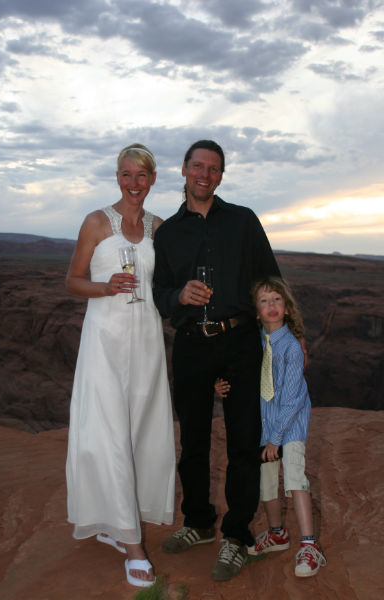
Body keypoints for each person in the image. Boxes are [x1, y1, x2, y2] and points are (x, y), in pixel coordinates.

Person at [152, 140, 281, 582]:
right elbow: (158, 293)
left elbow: (270, 280)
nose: (204, 175)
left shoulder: (243, 221)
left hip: (240, 341)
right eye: (198, 166)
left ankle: (236, 535)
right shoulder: (168, 233)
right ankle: (199, 521)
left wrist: (286, 337)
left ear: (221, 176)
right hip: (192, 344)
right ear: (184, 169)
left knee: (244, 440)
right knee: (193, 440)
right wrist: (178, 295)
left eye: (213, 168)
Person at [65, 143, 176, 588]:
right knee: (110, 434)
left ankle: (115, 521)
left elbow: (167, 286)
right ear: (117, 177)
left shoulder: (160, 228)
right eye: (127, 174)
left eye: (142, 175)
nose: (134, 183)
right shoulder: (96, 222)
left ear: (152, 180)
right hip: (105, 343)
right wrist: (106, 287)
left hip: (146, 341)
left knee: (139, 433)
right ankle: (132, 545)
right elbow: (72, 281)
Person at [217, 276, 326, 577]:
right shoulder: (255, 346)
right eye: (264, 301)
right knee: (265, 481)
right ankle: (277, 534)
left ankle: (309, 545)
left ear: (287, 308)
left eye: (277, 299)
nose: (271, 305)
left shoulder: (291, 347)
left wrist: (276, 439)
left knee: (294, 476)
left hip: (289, 426)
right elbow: (239, 371)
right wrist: (220, 383)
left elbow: (292, 399)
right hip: (265, 427)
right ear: (256, 312)